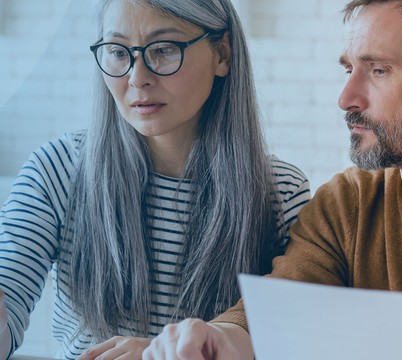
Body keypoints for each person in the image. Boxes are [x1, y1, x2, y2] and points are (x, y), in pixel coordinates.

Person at [142, 0, 402, 359]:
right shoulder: (347, 203)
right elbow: (282, 308)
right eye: (349, 69)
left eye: (379, 70)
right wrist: (218, 339)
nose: (346, 97)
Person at [0, 0, 311, 359]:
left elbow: (292, 341)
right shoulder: (59, 169)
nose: (137, 77)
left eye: (163, 50)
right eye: (118, 51)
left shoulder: (280, 192)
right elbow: (9, 308)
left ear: (223, 54)